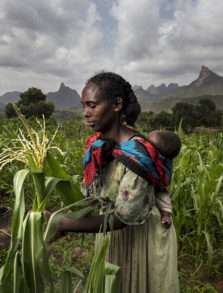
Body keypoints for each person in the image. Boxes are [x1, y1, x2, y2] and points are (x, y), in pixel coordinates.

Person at [54, 72, 179, 293]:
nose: (85, 113)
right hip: (112, 234)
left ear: (117, 104)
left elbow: (123, 218)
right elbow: (96, 196)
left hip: (139, 239)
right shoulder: (100, 146)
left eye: (92, 105)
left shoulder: (137, 155)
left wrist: (64, 224)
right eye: (84, 106)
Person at [147, 130, 181, 228]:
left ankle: (166, 215)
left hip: (157, 187)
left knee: (163, 196)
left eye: (148, 142)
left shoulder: (161, 164)